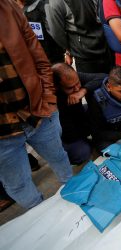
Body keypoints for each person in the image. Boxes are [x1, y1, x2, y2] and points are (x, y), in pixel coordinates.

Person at [0, 0, 72, 209]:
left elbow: (39, 58)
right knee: (20, 186)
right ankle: (43, 217)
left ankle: (76, 195)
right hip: (3, 134)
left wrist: (48, 99)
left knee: (60, 157)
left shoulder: (9, 8)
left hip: (37, 113)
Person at [52, 63, 106, 164]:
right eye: (70, 88)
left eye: (78, 83)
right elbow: (68, 133)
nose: (76, 88)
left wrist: (83, 90)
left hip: (79, 116)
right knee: (82, 153)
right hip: (65, 132)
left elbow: (103, 77)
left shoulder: (72, 78)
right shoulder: (50, 96)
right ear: (56, 87)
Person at [46, 0, 111, 73]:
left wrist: (69, 49)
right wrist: (69, 49)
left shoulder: (54, 3)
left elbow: (56, 32)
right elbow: (56, 32)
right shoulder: (56, 3)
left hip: (96, 48)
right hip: (88, 52)